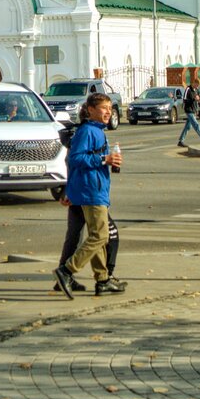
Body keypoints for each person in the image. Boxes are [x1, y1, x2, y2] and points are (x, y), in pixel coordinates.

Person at [53, 93, 124, 299]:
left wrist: (107, 160)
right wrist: (104, 159)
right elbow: (76, 158)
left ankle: (102, 280)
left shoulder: (97, 131)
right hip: (91, 191)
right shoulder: (88, 131)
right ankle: (66, 271)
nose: (108, 112)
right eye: (103, 108)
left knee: (97, 235)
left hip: (92, 189)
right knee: (100, 235)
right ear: (90, 110)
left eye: (110, 108)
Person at [176, 78, 200, 148]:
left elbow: (197, 101)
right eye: (197, 85)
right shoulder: (188, 89)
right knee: (196, 125)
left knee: (188, 127)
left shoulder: (196, 90)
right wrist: (193, 99)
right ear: (194, 83)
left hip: (193, 110)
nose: (197, 87)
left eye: (198, 86)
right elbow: (185, 100)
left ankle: (181, 141)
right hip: (188, 110)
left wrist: (197, 107)